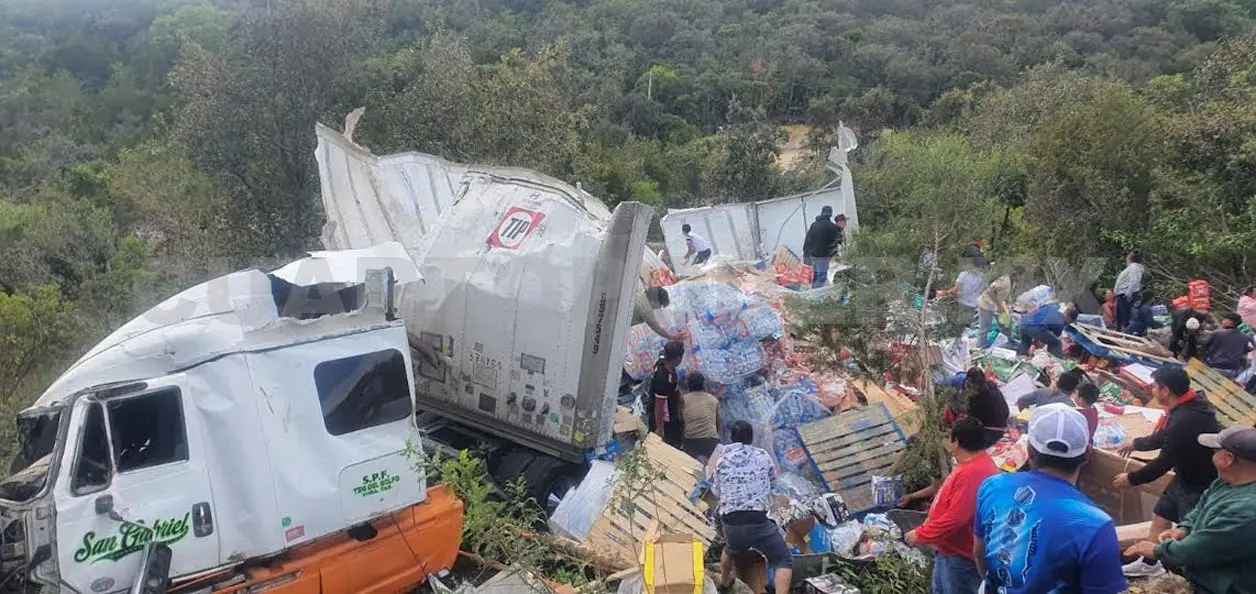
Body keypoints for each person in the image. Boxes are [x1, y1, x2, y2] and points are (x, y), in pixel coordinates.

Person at [974, 403, 1127, 593]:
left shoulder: (993, 486)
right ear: (1088, 454)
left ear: (1029, 449)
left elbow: (980, 554)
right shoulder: (1095, 524)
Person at [1114, 366, 1222, 578]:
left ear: (1166, 391)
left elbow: (1164, 462)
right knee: (1161, 515)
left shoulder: (1186, 419)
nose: (1152, 391)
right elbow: (1164, 436)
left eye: (1155, 387)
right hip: (1184, 475)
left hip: (1199, 484)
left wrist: (1132, 478)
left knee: (1188, 532)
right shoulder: (1185, 408)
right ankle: (1150, 563)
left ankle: (1185, 578)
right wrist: (1136, 444)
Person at [1124, 427, 1256, 593]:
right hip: (1207, 578)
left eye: (1215, 451)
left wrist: (1157, 551)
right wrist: (1184, 528)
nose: (1212, 456)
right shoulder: (1227, 481)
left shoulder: (1247, 510)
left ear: (1228, 459)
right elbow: (1201, 506)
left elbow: (1204, 547)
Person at [904, 418, 1000, 594]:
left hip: (961, 557)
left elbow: (956, 518)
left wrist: (920, 534)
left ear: (956, 443)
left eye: (949, 437)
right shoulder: (971, 465)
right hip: (948, 551)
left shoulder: (975, 473)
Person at [712, 421, 792, 594]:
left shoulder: (721, 460)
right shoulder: (762, 456)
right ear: (751, 438)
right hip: (758, 522)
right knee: (783, 559)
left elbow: (717, 492)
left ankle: (724, 584)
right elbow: (773, 483)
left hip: (731, 523)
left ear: (731, 438)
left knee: (730, 549)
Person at [946, 367, 1010, 448]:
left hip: (990, 433)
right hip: (1002, 427)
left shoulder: (977, 398)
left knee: (962, 436)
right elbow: (1006, 413)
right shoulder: (992, 386)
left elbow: (971, 421)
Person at [648, 341, 686, 448]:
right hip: (665, 417)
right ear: (677, 358)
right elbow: (659, 405)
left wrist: (678, 395)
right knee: (671, 443)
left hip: (669, 407)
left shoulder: (663, 360)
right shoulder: (663, 379)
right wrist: (660, 428)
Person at [977, 267, 1022, 349]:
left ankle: (1007, 343)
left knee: (1006, 324)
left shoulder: (1013, 282)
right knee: (984, 327)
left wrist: (1009, 305)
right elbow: (990, 291)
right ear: (1016, 275)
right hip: (986, 304)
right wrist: (998, 304)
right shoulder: (1004, 281)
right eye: (1020, 276)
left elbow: (1006, 295)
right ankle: (980, 347)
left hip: (999, 305)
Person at [680, 372, 721, 462]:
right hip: (712, 441)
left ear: (688, 385)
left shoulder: (683, 399)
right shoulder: (713, 400)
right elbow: (718, 423)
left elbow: (681, 421)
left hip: (691, 441)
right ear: (703, 384)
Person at [1202, 313, 1254, 378]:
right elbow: (1250, 348)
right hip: (1232, 370)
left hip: (1213, 366)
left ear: (1230, 322)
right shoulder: (1245, 337)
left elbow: (1204, 346)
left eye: (1225, 319)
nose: (1222, 321)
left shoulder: (1217, 333)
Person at [802, 206, 839, 288]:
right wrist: (835, 255)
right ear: (830, 214)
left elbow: (808, 239)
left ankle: (813, 291)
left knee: (816, 275)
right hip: (823, 256)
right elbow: (835, 242)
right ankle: (817, 296)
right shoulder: (831, 226)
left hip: (813, 255)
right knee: (821, 277)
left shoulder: (814, 225)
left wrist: (806, 254)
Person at [1017, 367, 1086, 410]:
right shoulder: (1070, 406)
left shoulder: (1042, 392)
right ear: (1073, 390)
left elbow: (1021, 400)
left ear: (1057, 383)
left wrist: (1026, 418)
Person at [1114, 250, 1145, 332]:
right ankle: (1119, 330)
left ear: (1130, 258)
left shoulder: (1134, 268)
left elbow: (1133, 282)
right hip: (1123, 293)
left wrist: (1128, 294)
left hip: (1126, 294)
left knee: (1125, 315)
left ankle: (1126, 331)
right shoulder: (1132, 268)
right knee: (1120, 315)